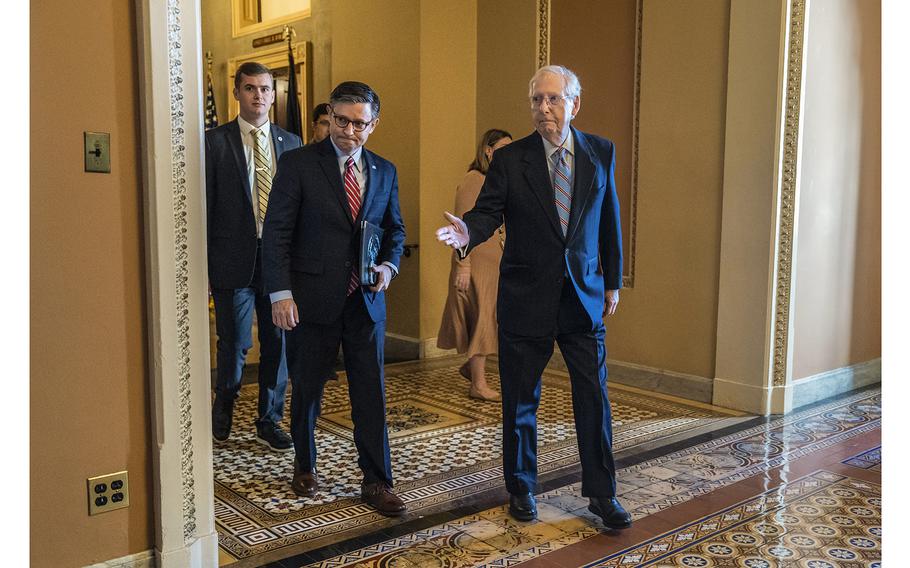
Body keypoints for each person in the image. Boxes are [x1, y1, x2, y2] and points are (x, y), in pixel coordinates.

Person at [435, 65, 632, 530]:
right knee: (520, 399)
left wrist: (612, 280)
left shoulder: (600, 151)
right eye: (536, 101)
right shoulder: (511, 159)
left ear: (574, 105)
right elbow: (485, 213)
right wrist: (467, 232)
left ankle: (603, 494)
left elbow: (609, 218)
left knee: (593, 397)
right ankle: (521, 486)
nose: (544, 109)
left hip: (582, 297)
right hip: (526, 297)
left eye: (553, 100)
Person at [262, 81, 408, 516]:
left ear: (374, 124)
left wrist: (388, 266)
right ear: (330, 114)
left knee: (371, 394)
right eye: (341, 120)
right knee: (307, 389)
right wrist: (280, 293)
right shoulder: (299, 164)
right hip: (311, 300)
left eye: (359, 124)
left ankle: (377, 480)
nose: (348, 131)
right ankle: (305, 465)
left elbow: (395, 231)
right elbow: (277, 233)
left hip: (365, 302)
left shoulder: (385, 170)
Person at [205, 61, 301, 451]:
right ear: (237, 92)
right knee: (236, 342)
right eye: (250, 88)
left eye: (265, 89)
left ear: (273, 94)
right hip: (233, 261)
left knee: (278, 341)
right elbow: (205, 208)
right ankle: (225, 401)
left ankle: (269, 418)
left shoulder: (292, 144)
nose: (258, 96)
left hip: (279, 261)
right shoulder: (213, 143)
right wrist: (205, 268)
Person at [437, 129, 512, 402]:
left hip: (495, 266)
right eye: (503, 149)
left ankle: (472, 368)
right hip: (477, 263)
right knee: (480, 318)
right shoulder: (474, 179)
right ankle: (478, 384)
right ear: (488, 151)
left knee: (490, 318)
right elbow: (463, 226)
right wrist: (463, 266)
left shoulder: (497, 181)